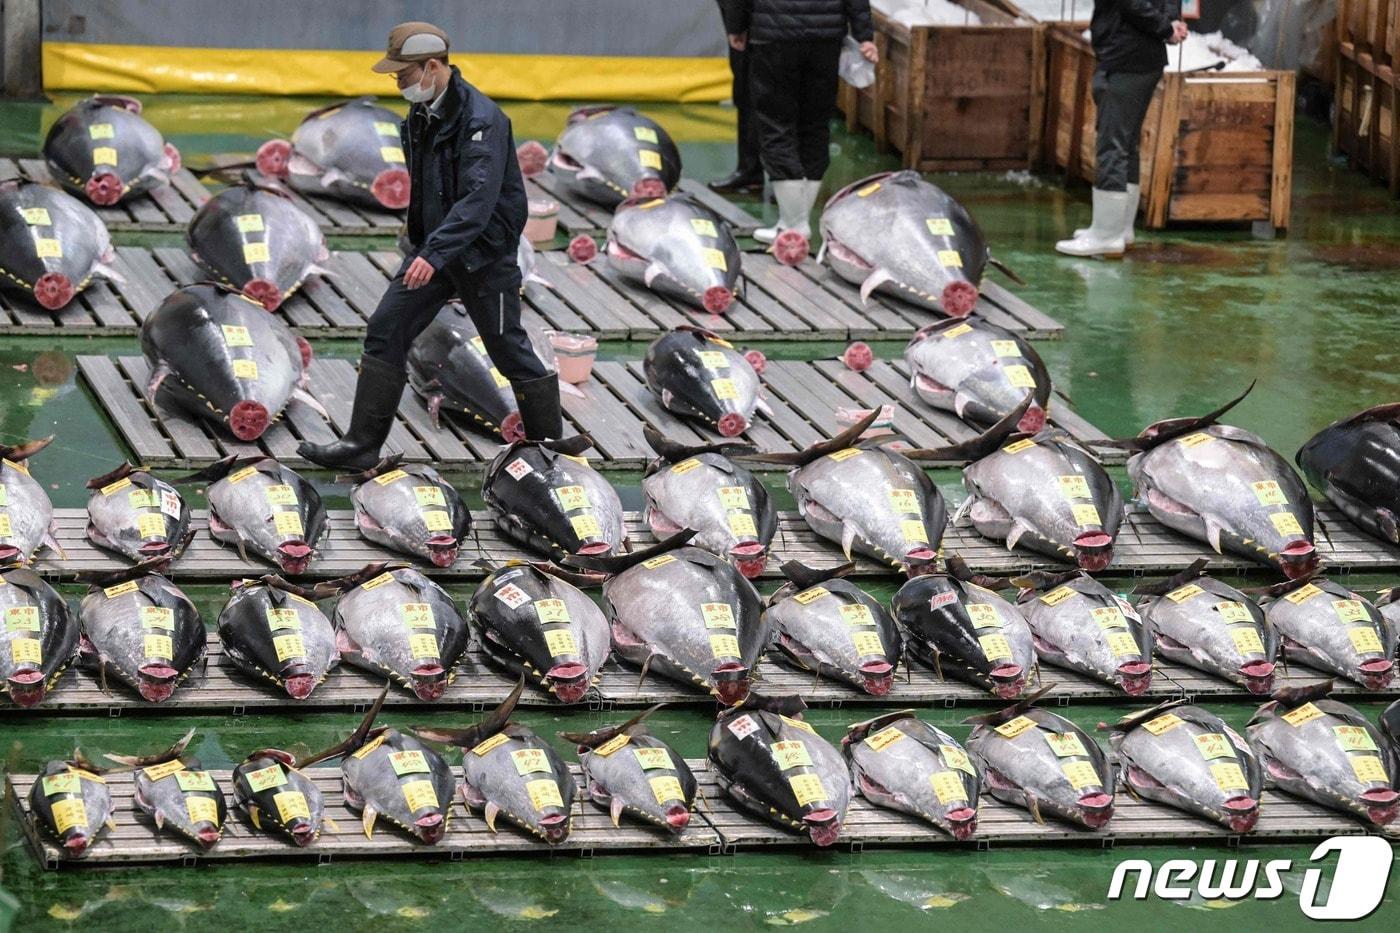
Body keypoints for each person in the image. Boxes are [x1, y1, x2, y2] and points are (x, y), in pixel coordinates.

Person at [299, 21, 561, 470]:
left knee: (507, 348)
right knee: (386, 329)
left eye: (403, 74)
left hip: (482, 255)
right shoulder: (420, 115)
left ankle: (550, 450)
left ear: (433, 66)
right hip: (434, 253)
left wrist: (433, 253)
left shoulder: (483, 121)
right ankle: (361, 445)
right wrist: (422, 245)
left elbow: (476, 202)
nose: (398, 83)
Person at [720, 0, 878, 250]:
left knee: (776, 125)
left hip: (774, 35)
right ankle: (793, 222)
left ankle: (794, 226)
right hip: (825, 39)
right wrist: (864, 35)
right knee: (815, 125)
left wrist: (736, 26)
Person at [1056, 0, 1187, 257]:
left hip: (1125, 56)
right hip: (1144, 57)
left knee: (1112, 144)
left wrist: (1165, 27)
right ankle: (1120, 228)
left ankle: (1106, 235)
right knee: (1126, 143)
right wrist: (1169, 23)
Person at [709, 0, 764, 195]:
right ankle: (791, 181)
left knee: (748, 95)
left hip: (754, 26)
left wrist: (736, 26)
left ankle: (752, 171)